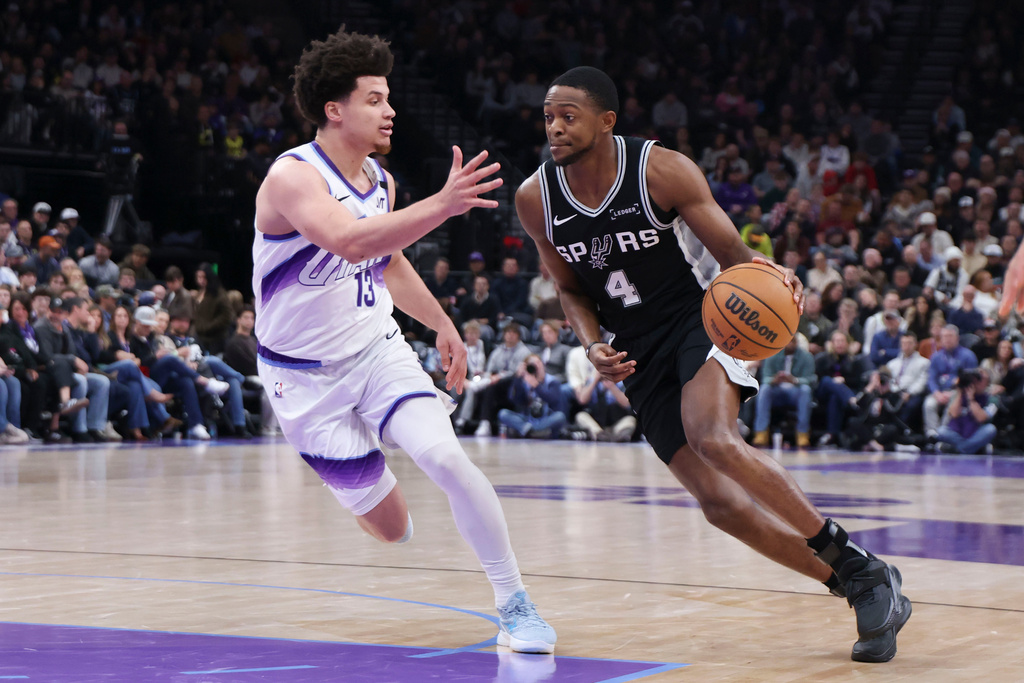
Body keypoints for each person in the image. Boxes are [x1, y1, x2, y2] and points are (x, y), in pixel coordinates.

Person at [516, 66, 908, 663]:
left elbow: (732, 255)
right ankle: (857, 582)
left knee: (713, 438)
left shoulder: (659, 170)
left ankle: (852, 559)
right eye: (549, 116)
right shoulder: (534, 197)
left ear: (606, 121)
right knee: (721, 507)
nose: (556, 127)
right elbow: (570, 289)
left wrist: (774, 277)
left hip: (704, 318)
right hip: (634, 351)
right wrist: (591, 343)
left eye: (568, 114)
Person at [251, 27, 554, 653]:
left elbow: (385, 262)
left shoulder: (381, 183)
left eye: (389, 98)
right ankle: (363, 481)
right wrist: (443, 205)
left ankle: (515, 604)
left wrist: (441, 323)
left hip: (375, 351)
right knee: (392, 531)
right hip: (303, 380)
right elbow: (351, 242)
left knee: (446, 458)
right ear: (335, 110)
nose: (390, 111)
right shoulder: (292, 178)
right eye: (374, 99)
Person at [752, 335, 817, 448]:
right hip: (777, 391)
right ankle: (761, 433)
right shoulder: (772, 354)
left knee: (805, 390)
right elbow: (765, 378)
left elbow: (811, 379)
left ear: (796, 343)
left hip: (795, 392)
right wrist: (774, 380)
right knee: (764, 389)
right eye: (787, 341)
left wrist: (795, 380)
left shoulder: (806, 357)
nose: (789, 344)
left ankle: (802, 434)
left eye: (792, 341)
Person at [496, 353, 568, 438]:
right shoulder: (523, 381)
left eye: (538, 362)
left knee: (560, 416)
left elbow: (553, 399)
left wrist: (536, 385)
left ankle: (528, 430)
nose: (536, 366)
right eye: (532, 363)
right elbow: (515, 400)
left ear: (542, 364)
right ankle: (534, 431)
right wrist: (518, 378)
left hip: (546, 418)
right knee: (503, 413)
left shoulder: (552, 381)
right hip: (528, 419)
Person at [934, 369, 998, 454]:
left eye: (982, 379)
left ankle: (955, 449)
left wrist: (971, 399)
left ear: (987, 383)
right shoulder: (958, 394)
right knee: (941, 431)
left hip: (976, 433)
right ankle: (973, 448)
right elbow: (954, 414)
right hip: (957, 432)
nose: (977, 382)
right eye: (976, 379)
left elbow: (981, 418)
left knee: (991, 429)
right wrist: (960, 392)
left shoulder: (992, 399)